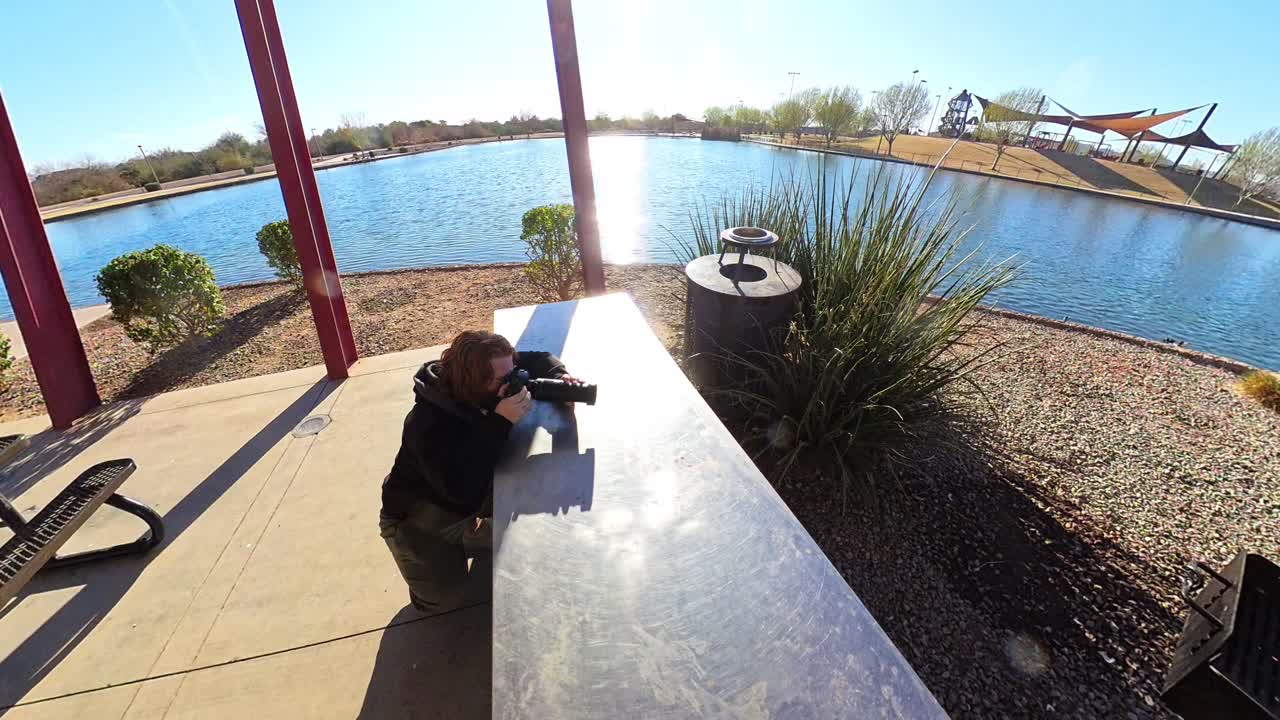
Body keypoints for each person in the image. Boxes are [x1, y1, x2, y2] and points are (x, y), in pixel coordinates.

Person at [379, 330, 582, 612]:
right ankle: (439, 566)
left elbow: (537, 359)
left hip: (465, 493)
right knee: (445, 599)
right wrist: (500, 423)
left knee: (534, 485)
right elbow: (463, 494)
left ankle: (471, 535)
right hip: (420, 519)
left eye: (514, 372)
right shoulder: (427, 425)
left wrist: (561, 376)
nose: (514, 382)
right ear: (472, 382)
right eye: (505, 380)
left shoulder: (488, 375)